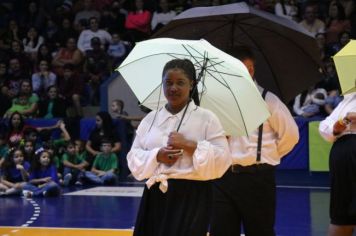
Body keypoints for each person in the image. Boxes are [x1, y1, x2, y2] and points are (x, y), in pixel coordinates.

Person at [127, 58, 231, 236]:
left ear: (192, 84)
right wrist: (156, 156)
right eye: (168, 83)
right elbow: (133, 157)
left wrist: (189, 145)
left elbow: (223, 159)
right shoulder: (150, 119)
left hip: (192, 196)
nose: (173, 88)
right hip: (154, 195)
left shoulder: (207, 118)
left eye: (180, 83)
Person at [210, 46, 299, 236]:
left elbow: (290, 136)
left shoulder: (269, 100)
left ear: (251, 69)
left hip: (258, 179)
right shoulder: (217, 102)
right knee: (220, 231)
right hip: (222, 177)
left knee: (260, 231)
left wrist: (267, 156)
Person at [319, 91, 356, 236]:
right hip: (343, 156)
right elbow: (325, 128)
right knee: (341, 216)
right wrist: (341, 125)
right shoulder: (349, 98)